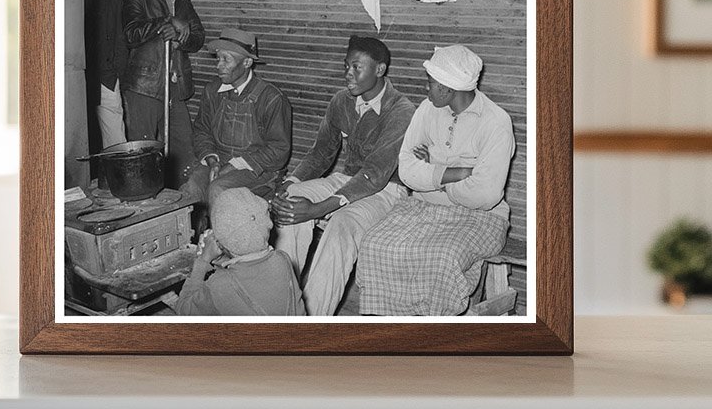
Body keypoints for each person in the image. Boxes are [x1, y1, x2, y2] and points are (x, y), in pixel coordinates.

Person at [357, 44, 516, 316]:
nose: (426, 89)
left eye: (430, 83)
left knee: (442, 258)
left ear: (447, 88)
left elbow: (485, 194)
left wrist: (432, 170)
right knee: (374, 243)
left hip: (480, 217)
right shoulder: (426, 110)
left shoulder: (496, 122)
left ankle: (437, 332)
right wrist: (455, 172)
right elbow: (406, 170)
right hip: (421, 208)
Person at [271, 35, 415, 316]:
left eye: (356, 67)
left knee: (341, 225)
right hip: (347, 179)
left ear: (380, 69)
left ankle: (312, 316)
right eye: (346, 66)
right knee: (292, 201)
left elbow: (374, 174)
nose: (348, 74)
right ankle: (284, 305)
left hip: (387, 190)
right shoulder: (342, 101)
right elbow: (321, 153)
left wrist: (319, 208)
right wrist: (289, 183)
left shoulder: (401, 110)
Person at [182, 28, 292, 209]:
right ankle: (198, 236)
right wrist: (211, 159)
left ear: (247, 62)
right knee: (193, 186)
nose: (219, 65)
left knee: (220, 189)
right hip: (219, 160)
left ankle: (218, 237)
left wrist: (234, 166)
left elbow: (279, 150)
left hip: (258, 169)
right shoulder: (212, 91)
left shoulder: (271, 98)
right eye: (218, 58)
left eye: (227, 59)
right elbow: (202, 130)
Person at [121, 0, 205, 185]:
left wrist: (179, 38)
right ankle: (144, 200)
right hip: (144, 85)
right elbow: (130, 33)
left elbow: (198, 37)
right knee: (143, 150)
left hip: (175, 83)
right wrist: (165, 22)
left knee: (184, 147)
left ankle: (182, 202)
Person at [174, 187, 305, 316]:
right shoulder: (282, 259)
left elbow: (184, 310)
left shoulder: (219, 285)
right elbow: (245, 277)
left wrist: (202, 260)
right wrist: (222, 260)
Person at [85, 0, 127, 149]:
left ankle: (117, 175)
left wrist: (117, 75)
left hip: (105, 78)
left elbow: (120, 42)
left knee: (115, 136)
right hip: (75, 78)